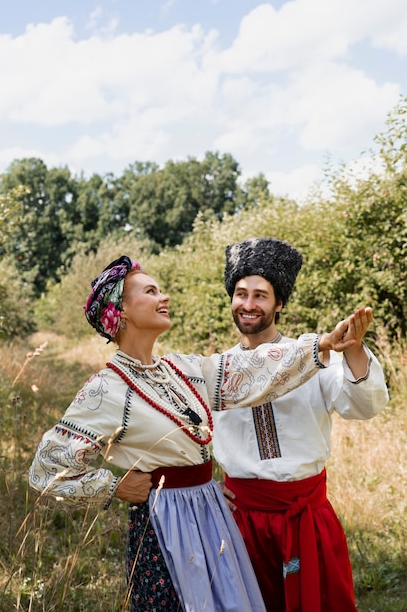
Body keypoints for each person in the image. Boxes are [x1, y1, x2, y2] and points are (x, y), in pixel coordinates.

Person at [29, 254, 361, 612]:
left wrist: (320, 345)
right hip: (164, 525)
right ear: (120, 311)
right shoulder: (105, 390)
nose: (164, 297)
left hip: (210, 516)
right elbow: (46, 470)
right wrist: (115, 486)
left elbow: (248, 367)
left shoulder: (181, 368)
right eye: (151, 291)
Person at [211, 237, 389, 612]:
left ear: (279, 304)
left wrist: (354, 348)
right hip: (241, 521)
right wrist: (205, 486)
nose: (248, 304)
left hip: (305, 515)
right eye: (241, 293)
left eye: (260, 295)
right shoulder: (215, 370)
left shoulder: (316, 357)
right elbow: (180, 437)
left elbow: (365, 405)